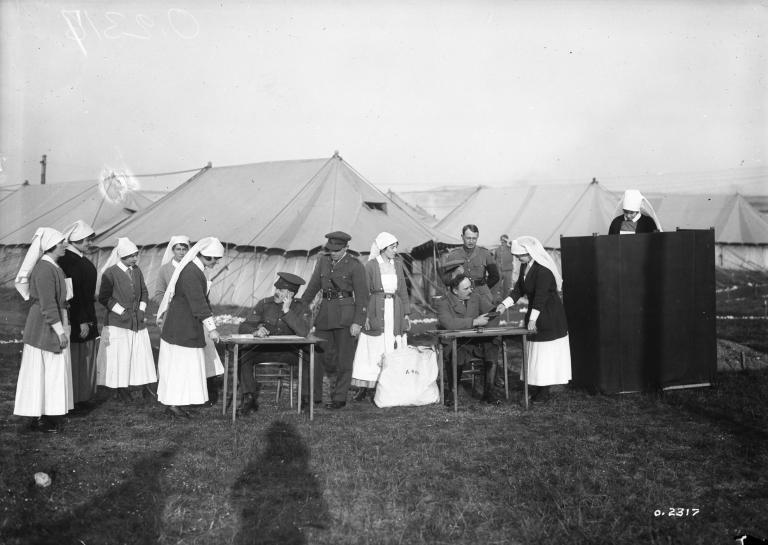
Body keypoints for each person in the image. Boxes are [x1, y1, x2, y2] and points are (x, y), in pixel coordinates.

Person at [495, 236, 571, 403]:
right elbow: (518, 290)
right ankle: (538, 387)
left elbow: (540, 297)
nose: (517, 259)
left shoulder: (543, 270)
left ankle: (544, 391)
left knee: (545, 353)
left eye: (519, 256)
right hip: (536, 314)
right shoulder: (525, 267)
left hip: (549, 315)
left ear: (529, 252)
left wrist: (533, 319)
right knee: (536, 353)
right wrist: (504, 305)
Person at [13, 227, 73, 431]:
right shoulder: (44, 269)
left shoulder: (54, 267)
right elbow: (48, 305)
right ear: (51, 246)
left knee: (51, 371)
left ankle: (48, 412)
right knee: (39, 371)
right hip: (43, 326)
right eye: (61, 242)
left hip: (52, 321)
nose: (65, 245)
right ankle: (37, 417)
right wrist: (60, 331)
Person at [156, 237, 224, 418]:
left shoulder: (196, 270)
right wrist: (212, 328)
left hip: (186, 324)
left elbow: (202, 301)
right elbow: (199, 303)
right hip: (181, 327)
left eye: (217, 259)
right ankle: (173, 404)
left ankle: (176, 401)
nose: (216, 262)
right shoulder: (191, 272)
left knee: (182, 366)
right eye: (213, 259)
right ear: (203, 256)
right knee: (179, 366)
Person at [300, 231, 367, 410]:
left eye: (337, 249)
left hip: (346, 316)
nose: (334, 252)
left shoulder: (355, 265)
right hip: (324, 315)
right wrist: (301, 306)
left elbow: (362, 297)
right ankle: (313, 396)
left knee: (344, 360)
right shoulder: (323, 260)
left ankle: (339, 397)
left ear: (346, 247)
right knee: (316, 356)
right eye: (331, 249)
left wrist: (358, 322)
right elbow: (313, 286)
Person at [236, 272, 312, 415]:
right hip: (263, 350)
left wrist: (287, 311)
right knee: (243, 355)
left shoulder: (302, 307)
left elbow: (303, 332)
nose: (276, 293)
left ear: (291, 294)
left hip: (290, 352)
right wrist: (256, 330)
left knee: (308, 357)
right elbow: (244, 326)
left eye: (281, 291)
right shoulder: (264, 304)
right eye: (276, 289)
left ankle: (305, 399)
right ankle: (249, 398)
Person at [350, 232, 411, 403]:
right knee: (372, 347)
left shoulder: (397, 264)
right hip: (376, 309)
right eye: (392, 247)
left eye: (396, 247)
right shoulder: (370, 266)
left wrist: (406, 314)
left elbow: (403, 291)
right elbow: (363, 293)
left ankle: (390, 383)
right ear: (383, 248)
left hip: (395, 309)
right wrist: (366, 316)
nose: (395, 250)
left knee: (392, 344)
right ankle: (366, 386)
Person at [96, 238, 157, 400]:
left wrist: (142, 309)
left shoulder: (136, 270)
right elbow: (104, 297)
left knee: (139, 353)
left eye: (136, 255)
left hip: (137, 320)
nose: (135, 258)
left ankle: (144, 385)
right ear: (122, 256)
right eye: (131, 256)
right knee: (121, 355)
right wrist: (121, 311)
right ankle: (120, 388)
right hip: (118, 322)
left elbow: (144, 291)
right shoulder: (110, 273)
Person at [436, 273, 500, 404]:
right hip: (456, 342)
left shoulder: (475, 297)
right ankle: (453, 394)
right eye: (466, 289)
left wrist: (492, 316)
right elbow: (449, 323)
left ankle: (489, 393)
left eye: (470, 287)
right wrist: (475, 322)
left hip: (475, 340)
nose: (470, 290)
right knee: (456, 354)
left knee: (492, 347)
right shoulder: (443, 302)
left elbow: (492, 313)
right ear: (455, 290)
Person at [58, 220, 99, 410]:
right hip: (77, 316)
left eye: (90, 240)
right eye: (86, 240)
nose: (90, 243)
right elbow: (72, 295)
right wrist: (82, 320)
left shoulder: (79, 258)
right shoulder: (69, 261)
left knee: (85, 356)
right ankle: (74, 398)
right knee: (77, 357)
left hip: (86, 313)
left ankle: (82, 396)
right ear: (75, 241)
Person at [441, 224, 500, 308]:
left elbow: (495, 276)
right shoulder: (454, 255)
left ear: (477, 237)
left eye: (474, 238)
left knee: (484, 319)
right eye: (468, 238)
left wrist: (484, 287)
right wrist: (455, 276)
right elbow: (446, 280)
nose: (471, 241)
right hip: (461, 297)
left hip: (482, 295)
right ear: (462, 237)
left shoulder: (485, 253)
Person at [153, 235, 190, 301]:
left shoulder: (192, 268)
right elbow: (159, 293)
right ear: (173, 250)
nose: (181, 253)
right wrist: (166, 308)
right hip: (170, 307)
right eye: (178, 249)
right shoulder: (164, 269)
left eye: (184, 249)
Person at [493, 234, 517, 304]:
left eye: (504, 240)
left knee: (506, 287)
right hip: (499, 270)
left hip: (508, 271)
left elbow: (514, 245)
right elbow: (494, 259)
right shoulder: (497, 249)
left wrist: (510, 242)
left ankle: (505, 302)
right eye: (502, 240)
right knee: (496, 286)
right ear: (500, 240)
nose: (503, 242)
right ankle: (494, 302)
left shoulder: (511, 248)